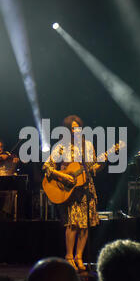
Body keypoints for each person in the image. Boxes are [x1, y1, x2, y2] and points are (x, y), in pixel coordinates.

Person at [42, 115, 102, 271]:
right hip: (69, 190)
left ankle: (79, 256)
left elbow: (93, 166)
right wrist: (62, 175)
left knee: (85, 224)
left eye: (78, 127)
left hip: (86, 187)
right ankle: (69, 256)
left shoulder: (87, 145)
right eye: (73, 127)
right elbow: (47, 166)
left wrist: (98, 165)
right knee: (73, 223)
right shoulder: (61, 146)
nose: (76, 130)